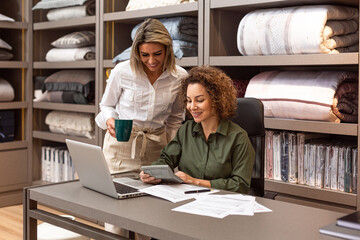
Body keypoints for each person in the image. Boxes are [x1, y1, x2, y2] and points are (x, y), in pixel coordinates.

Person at [140, 66, 255, 194]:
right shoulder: (186, 130)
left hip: (221, 203)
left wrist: (195, 181)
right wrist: (151, 173)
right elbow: (166, 159)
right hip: (186, 199)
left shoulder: (238, 137)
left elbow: (240, 185)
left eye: (199, 100)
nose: (192, 107)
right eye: (189, 101)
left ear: (217, 100)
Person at [95, 18, 188, 174]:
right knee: (117, 195)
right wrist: (110, 119)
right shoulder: (122, 71)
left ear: (167, 50)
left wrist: (173, 154)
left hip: (157, 149)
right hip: (121, 148)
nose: (151, 61)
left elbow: (175, 119)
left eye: (157, 54)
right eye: (145, 55)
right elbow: (106, 105)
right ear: (137, 52)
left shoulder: (180, 77)